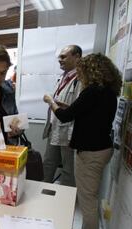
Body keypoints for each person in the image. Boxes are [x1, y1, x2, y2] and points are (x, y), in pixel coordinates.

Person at [43, 53, 121, 229]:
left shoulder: (92, 91)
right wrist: (66, 106)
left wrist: (51, 102)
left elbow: (64, 117)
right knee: (88, 197)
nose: (80, 75)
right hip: (99, 148)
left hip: (91, 152)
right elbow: (85, 113)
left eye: (81, 70)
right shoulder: (106, 92)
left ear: (90, 70)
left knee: (87, 200)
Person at [42, 45, 83, 187]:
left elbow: (79, 108)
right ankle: (43, 194)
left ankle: (64, 202)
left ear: (77, 57)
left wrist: (51, 101)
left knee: (68, 169)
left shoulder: (81, 79)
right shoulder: (63, 77)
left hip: (69, 132)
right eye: (59, 56)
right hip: (55, 127)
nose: (60, 60)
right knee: (48, 163)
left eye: (64, 56)